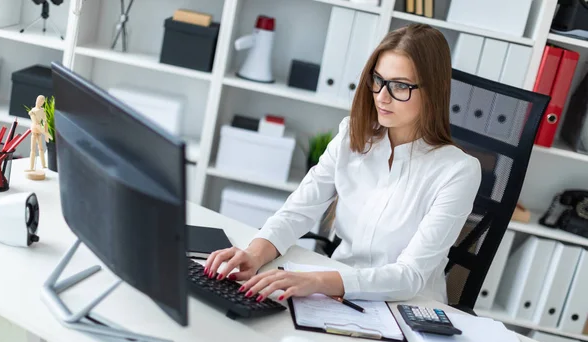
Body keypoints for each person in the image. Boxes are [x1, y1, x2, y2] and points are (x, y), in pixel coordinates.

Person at [204, 23, 481, 305]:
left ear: (433, 90)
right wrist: (255, 253)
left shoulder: (457, 171)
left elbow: (409, 276)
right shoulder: (353, 134)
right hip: (336, 293)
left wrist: (317, 281)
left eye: (400, 86)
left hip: (407, 308)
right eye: (378, 80)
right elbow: (297, 211)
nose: (382, 96)